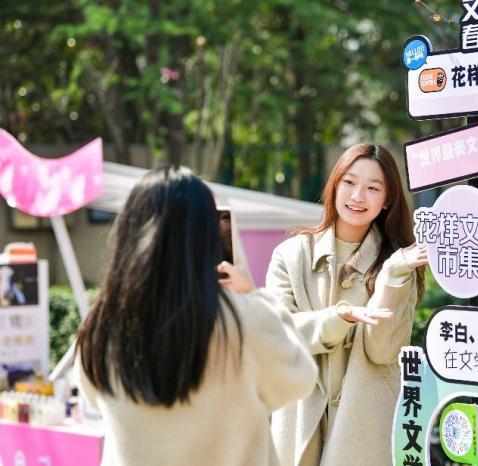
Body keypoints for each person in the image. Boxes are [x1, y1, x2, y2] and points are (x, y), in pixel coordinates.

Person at [75, 166, 317, 466]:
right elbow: (299, 378)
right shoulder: (243, 318)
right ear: (207, 236)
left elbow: (93, 398)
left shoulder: (102, 326)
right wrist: (254, 295)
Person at [265, 143, 427, 466]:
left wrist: (392, 277)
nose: (357, 196)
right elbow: (277, 335)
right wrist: (339, 318)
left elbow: (383, 352)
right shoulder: (291, 256)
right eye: (349, 182)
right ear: (335, 185)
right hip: (297, 427)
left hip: (365, 430)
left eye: (373, 188)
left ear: (387, 200)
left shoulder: (398, 264)